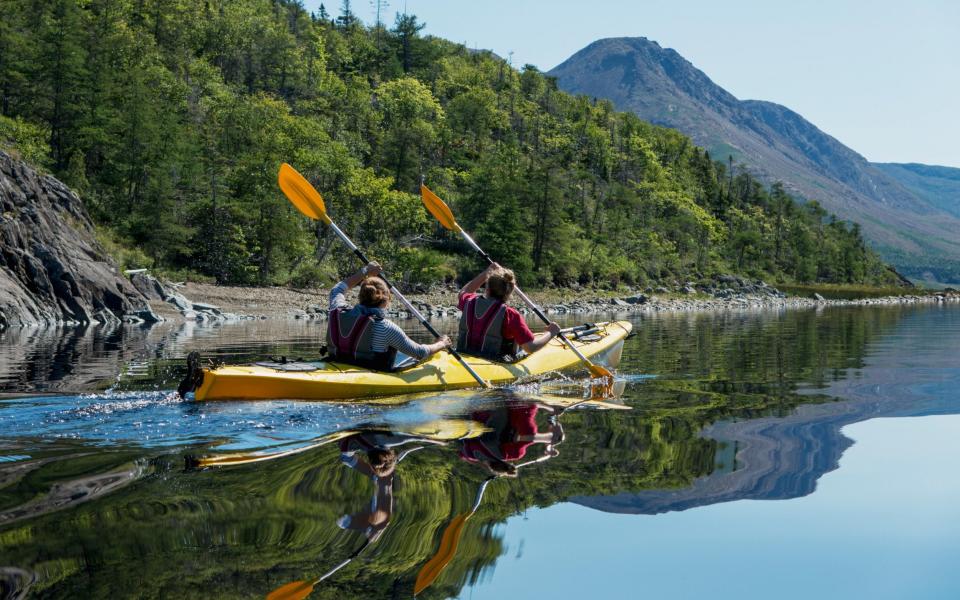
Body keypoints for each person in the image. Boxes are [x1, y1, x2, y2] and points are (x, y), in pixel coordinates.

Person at [327, 261, 450, 371]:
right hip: (369, 374)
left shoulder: (338, 310)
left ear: (360, 297)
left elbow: (336, 290)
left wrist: (365, 271)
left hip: (337, 363)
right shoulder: (385, 327)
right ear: (386, 300)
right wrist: (442, 344)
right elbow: (419, 352)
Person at [457, 263, 561, 360]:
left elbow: (464, 291)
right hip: (495, 363)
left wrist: (486, 272)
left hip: (464, 356)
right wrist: (551, 333)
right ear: (509, 291)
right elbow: (530, 347)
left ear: (487, 287)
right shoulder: (510, 314)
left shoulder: (468, 301)